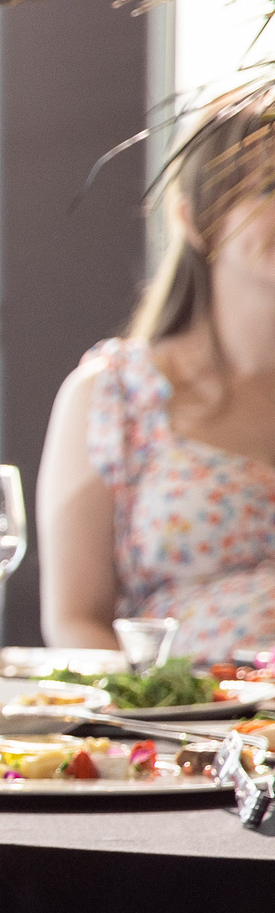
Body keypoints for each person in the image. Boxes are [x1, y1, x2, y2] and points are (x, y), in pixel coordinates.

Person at [38, 100, 275, 659]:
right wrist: (167, 711)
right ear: (193, 219)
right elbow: (75, 622)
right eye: (266, 188)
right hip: (185, 732)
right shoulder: (116, 394)